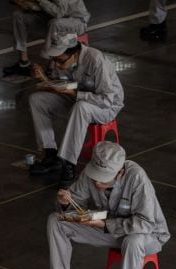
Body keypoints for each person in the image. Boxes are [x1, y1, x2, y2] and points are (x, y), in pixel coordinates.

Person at [34, 141, 169, 269]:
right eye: (96, 176)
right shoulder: (90, 173)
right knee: (56, 221)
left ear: (120, 172)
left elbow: (145, 223)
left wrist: (104, 224)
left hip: (147, 235)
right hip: (108, 226)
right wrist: (64, 203)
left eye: (104, 179)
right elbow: (74, 204)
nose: (97, 182)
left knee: (133, 241)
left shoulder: (137, 177)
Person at [27, 33, 124, 187]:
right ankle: (50, 154)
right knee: (37, 99)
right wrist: (44, 79)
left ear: (74, 54)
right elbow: (61, 84)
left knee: (81, 107)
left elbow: (106, 99)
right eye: (53, 60)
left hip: (105, 107)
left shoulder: (96, 60)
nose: (56, 65)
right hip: (76, 99)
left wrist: (75, 93)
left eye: (59, 61)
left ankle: (68, 163)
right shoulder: (64, 61)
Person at [3, 0, 90, 76]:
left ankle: (51, 65)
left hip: (77, 22)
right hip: (51, 20)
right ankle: (23, 63)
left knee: (56, 23)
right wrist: (27, 4)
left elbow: (59, 13)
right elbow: (41, 8)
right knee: (18, 15)